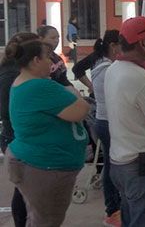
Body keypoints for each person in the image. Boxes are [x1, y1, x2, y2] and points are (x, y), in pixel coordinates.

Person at [6, 39, 89, 226]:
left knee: (38, 218)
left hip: (37, 163)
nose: (52, 64)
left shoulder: (24, 83)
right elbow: (81, 110)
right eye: (48, 58)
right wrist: (71, 91)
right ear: (36, 60)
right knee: (46, 221)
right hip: (46, 167)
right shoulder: (40, 87)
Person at [104, 17, 145, 227]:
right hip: (142, 167)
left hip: (120, 162)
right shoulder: (143, 79)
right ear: (142, 43)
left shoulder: (113, 69)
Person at [0, 32, 38, 227]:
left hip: (21, 136)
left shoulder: (20, 71)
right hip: (15, 137)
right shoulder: (10, 73)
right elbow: (5, 111)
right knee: (23, 188)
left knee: (26, 188)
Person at [90, 29, 122, 227]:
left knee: (113, 165)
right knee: (112, 167)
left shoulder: (103, 66)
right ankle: (112, 210)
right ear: (113, 46)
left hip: (106, 120)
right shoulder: (107, 68)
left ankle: (115, 208)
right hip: (107, 121)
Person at [38, 25, 76, 92]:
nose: (56, 41)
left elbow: (63, 80)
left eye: (58, 38)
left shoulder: (58, 59)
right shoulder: (35, 59)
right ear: (41, 39)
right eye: (52, 38)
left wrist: (73, 91)